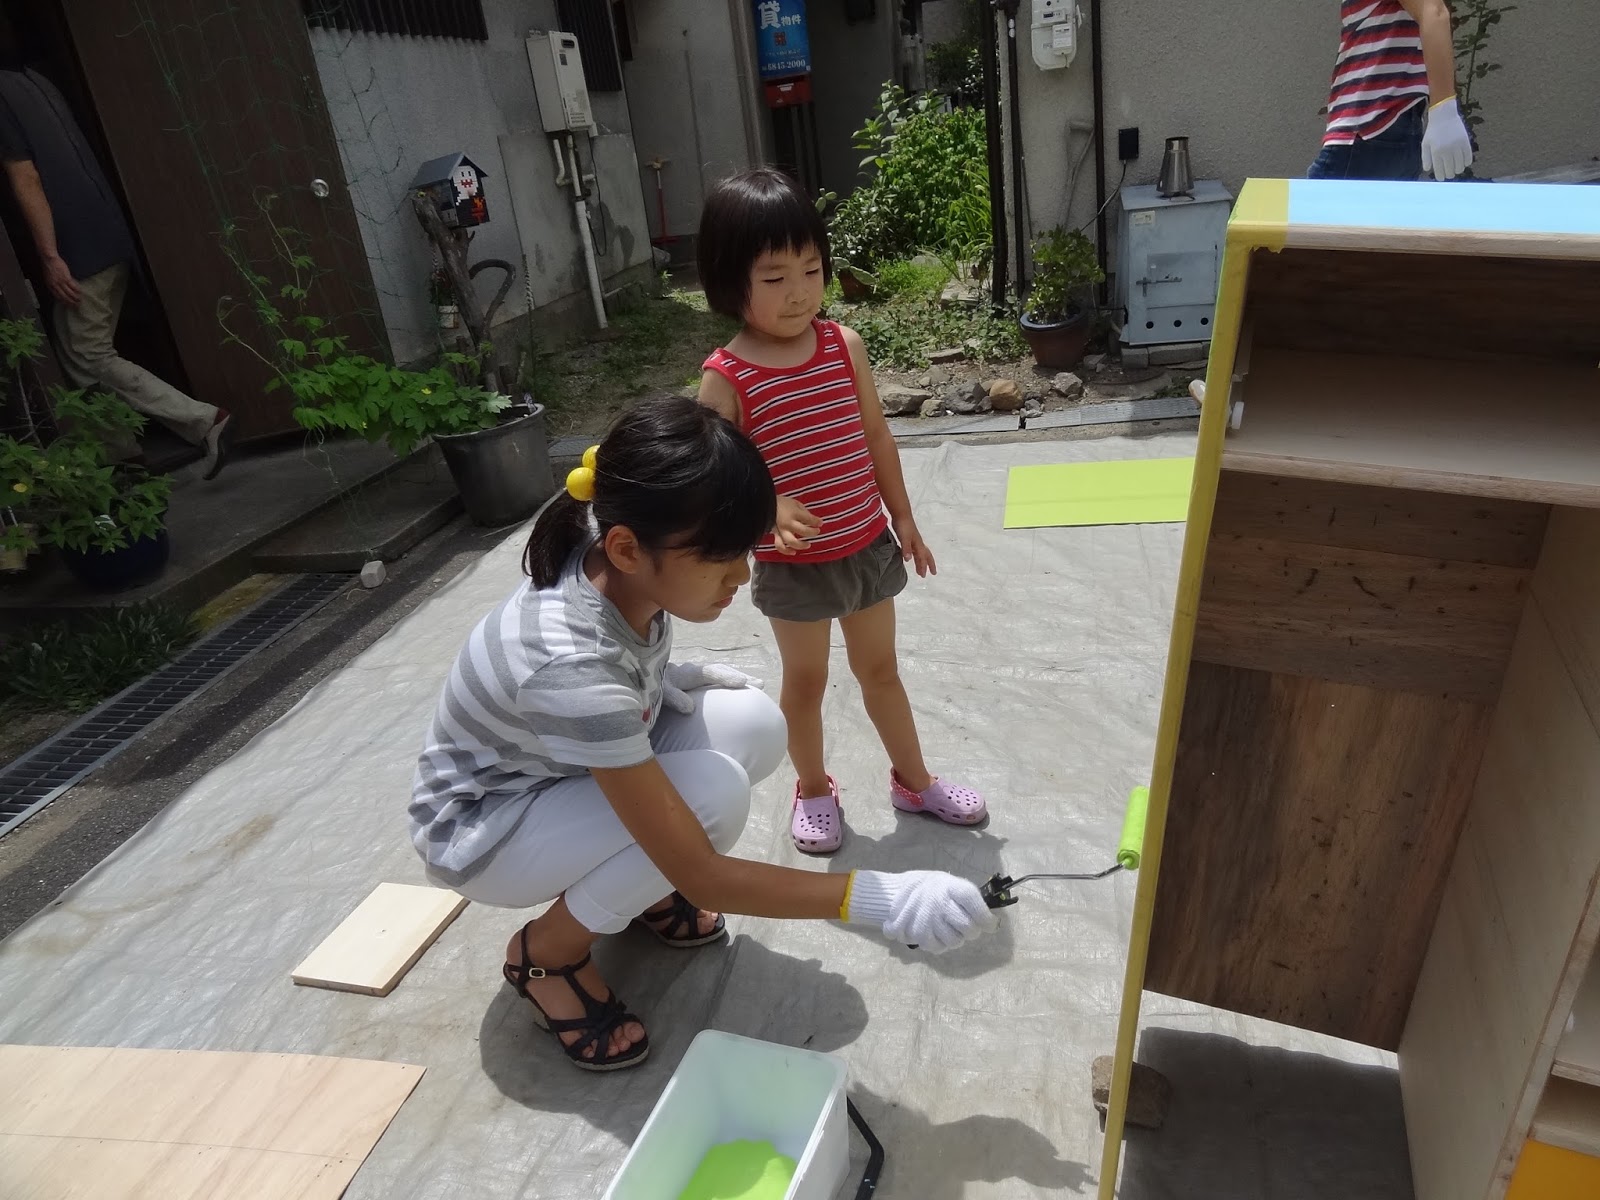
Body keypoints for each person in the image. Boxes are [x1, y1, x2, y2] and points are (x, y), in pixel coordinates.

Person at [409, 396, 996, 1072]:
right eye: (720, 559)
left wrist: (655, 681)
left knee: (754, 724)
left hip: (553, 771)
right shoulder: (571, 663)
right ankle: (546, 955)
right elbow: (707, 877)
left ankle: (641, 887)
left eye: (744, 551)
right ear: (627, 549)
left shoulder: (613, 543)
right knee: (711, 798)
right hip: (484, 830)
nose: (741, 576)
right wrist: (881, 898)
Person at [696, 167, 987, 856]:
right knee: (806, 681)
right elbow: (715, 478)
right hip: (793, 565)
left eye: (811, 269)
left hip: (866, 544)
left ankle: (914, 781)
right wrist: (767, 508)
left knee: (881, 670)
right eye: (774, 277)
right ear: (730, 281)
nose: (799, 291)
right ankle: (813, 788)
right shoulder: (726, 377)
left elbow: (876, 437)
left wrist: (903, 519)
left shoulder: (842, 346)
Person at [0, 66, 233, 476]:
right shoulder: (35, 81)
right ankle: (124, 459)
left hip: (79, 248)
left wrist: (50, 256)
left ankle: (204, 421)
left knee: (87, 354)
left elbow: (26, 177)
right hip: (107, 234)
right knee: (82, 355)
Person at [1311, 0, 1474, 182]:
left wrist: (1444, 110)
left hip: (1367, 127)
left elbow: (1434, 12)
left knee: (1306, 201)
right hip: (1389, 127)